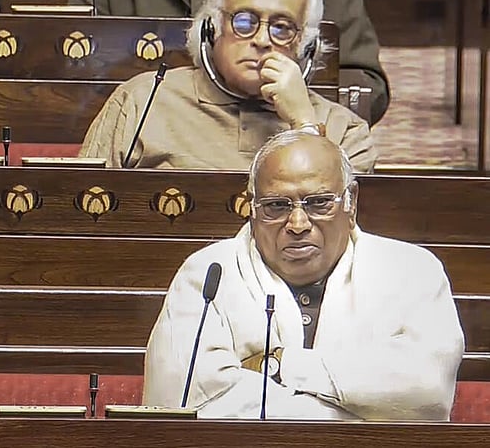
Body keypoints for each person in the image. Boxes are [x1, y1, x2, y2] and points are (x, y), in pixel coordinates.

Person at [142, 130, 464, 420]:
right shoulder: (207, 274)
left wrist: (280, 365)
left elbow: (427, 394)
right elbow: (186, 405)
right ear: (252, 208)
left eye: (319, 203)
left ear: (351, 202)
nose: (297, 224)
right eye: (277, 206)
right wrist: (361, 411)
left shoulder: (411, 270)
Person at [78, 0, 377, 172]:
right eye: (244, 21)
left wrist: (304, 124)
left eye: (282, 28)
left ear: (305, 46)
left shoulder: (345, 130)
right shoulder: (141, 102)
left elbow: (338, 229)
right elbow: (76, 205)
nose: (261, 40)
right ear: (212, 28)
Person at [70, 0, 389, 124]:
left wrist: (297, 113)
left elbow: (363, 85)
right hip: (157, 157)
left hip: (280, 148)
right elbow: (67, 96)